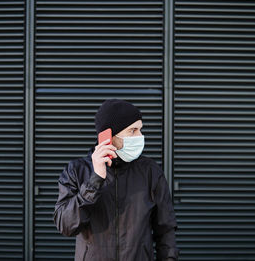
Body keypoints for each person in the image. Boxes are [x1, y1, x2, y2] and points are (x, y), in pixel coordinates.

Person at [53, 99, 179, 261]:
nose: (140, 137)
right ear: (109, 136)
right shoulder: (76, 170)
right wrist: (95, 179)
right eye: (133, 131)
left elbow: (166, 231)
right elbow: (66, 225)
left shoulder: (150, 171)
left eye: (140, 130)